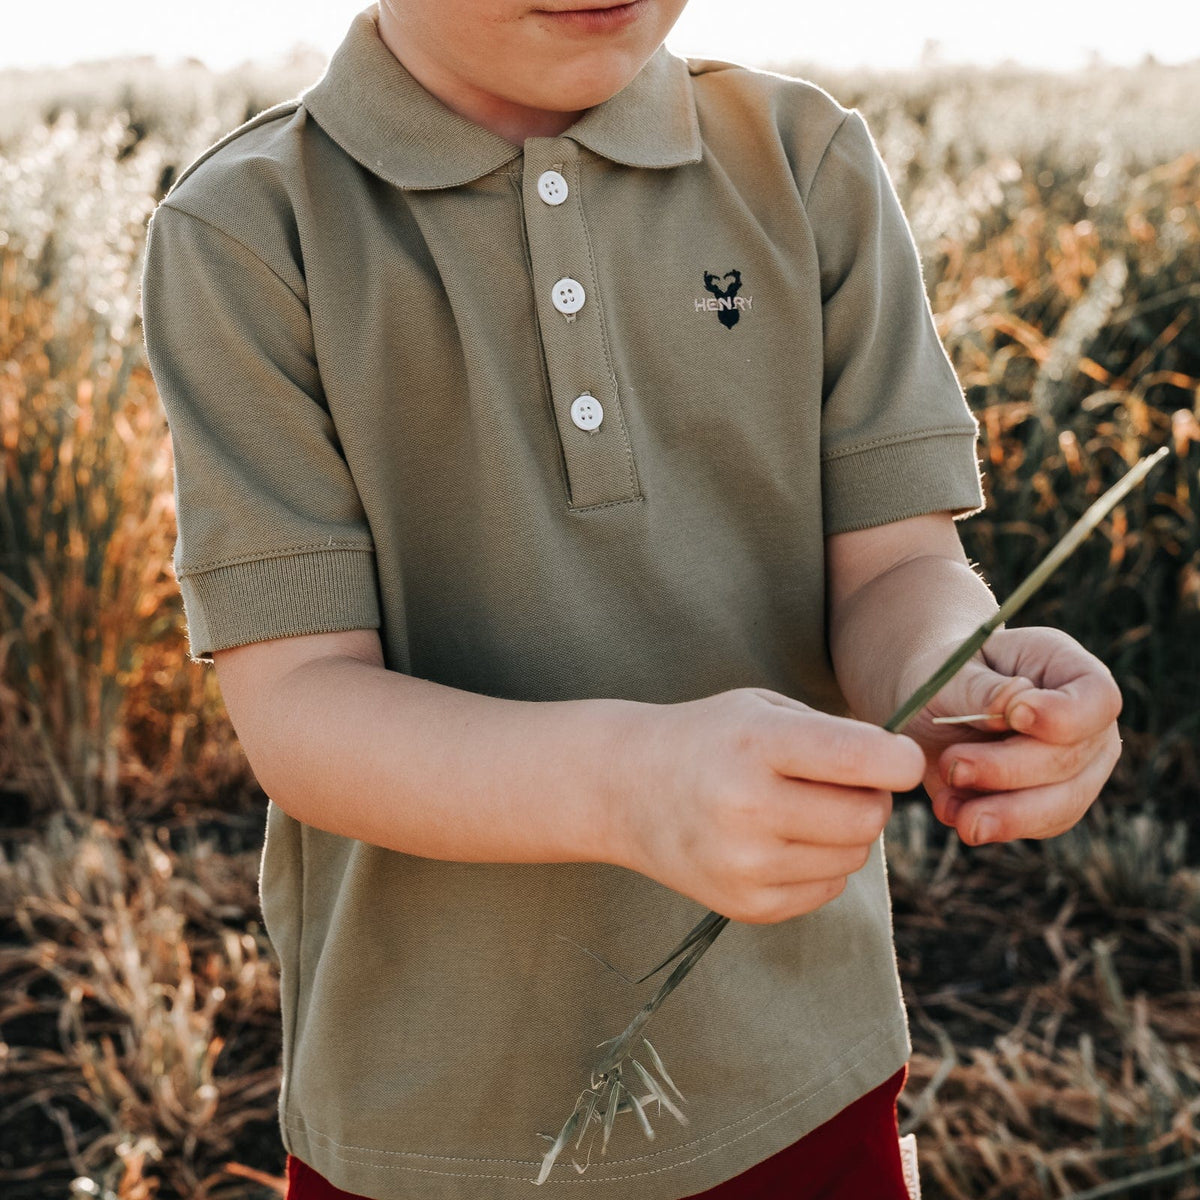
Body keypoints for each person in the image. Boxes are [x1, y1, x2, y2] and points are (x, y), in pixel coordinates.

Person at [138, 1, 1123, 1197]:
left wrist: (958, 687)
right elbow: (302, 706)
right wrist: (629, 783)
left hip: (797, 1067)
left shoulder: (802, 163)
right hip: (440, 1117)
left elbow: (896, 570)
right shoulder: (253, 230)